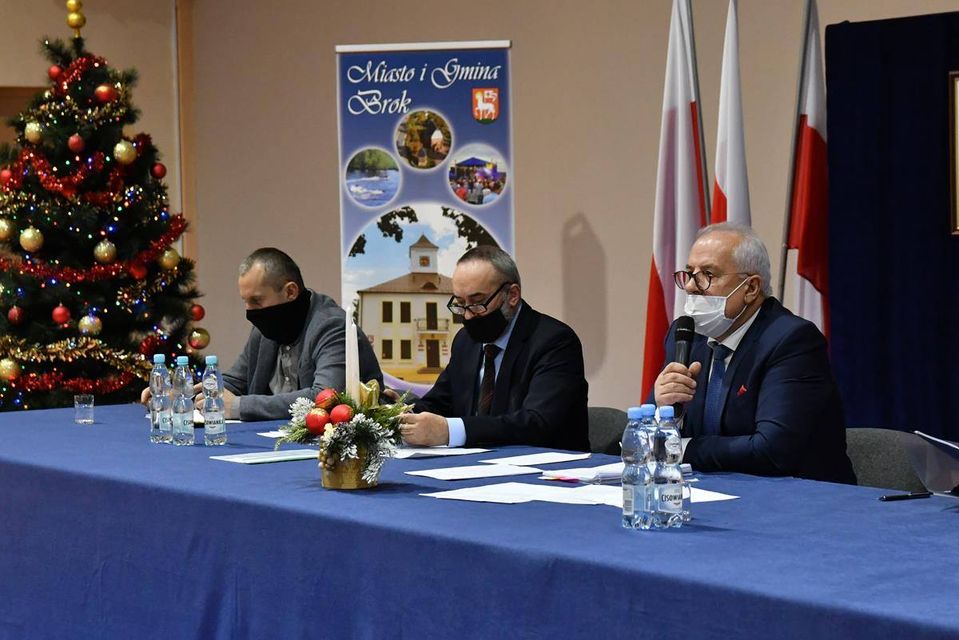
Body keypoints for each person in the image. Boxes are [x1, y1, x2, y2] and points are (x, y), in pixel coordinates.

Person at [651, 223, 855, 484]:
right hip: (713, 489)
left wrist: (681, 448)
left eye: (708, 274)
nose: (691, 286)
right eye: (690, 273)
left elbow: (772, 449)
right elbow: (645, 436)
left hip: (799, 496)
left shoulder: (791, 340)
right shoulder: (686, 336)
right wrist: (665, 409)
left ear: (750, 288)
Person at [140, 248, 383, 421]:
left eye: (256, 301)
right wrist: (181, 395)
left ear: (290, 292)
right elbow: (235, 382)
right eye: (245, 301)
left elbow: (325, 398)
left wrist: (239, 407)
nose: (249, 312)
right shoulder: (265, 327)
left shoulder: (332, 326)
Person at [399, 245, 589, 451]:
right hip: (475, 463)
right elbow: (440, 402)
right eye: (460, 303)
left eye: (478, 302)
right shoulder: (465, 341)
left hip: (547, 466)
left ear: (512, 295)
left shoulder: (554, 341)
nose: (468, 315)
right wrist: (399, 413)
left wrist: (449, 431)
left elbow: (537, 423)